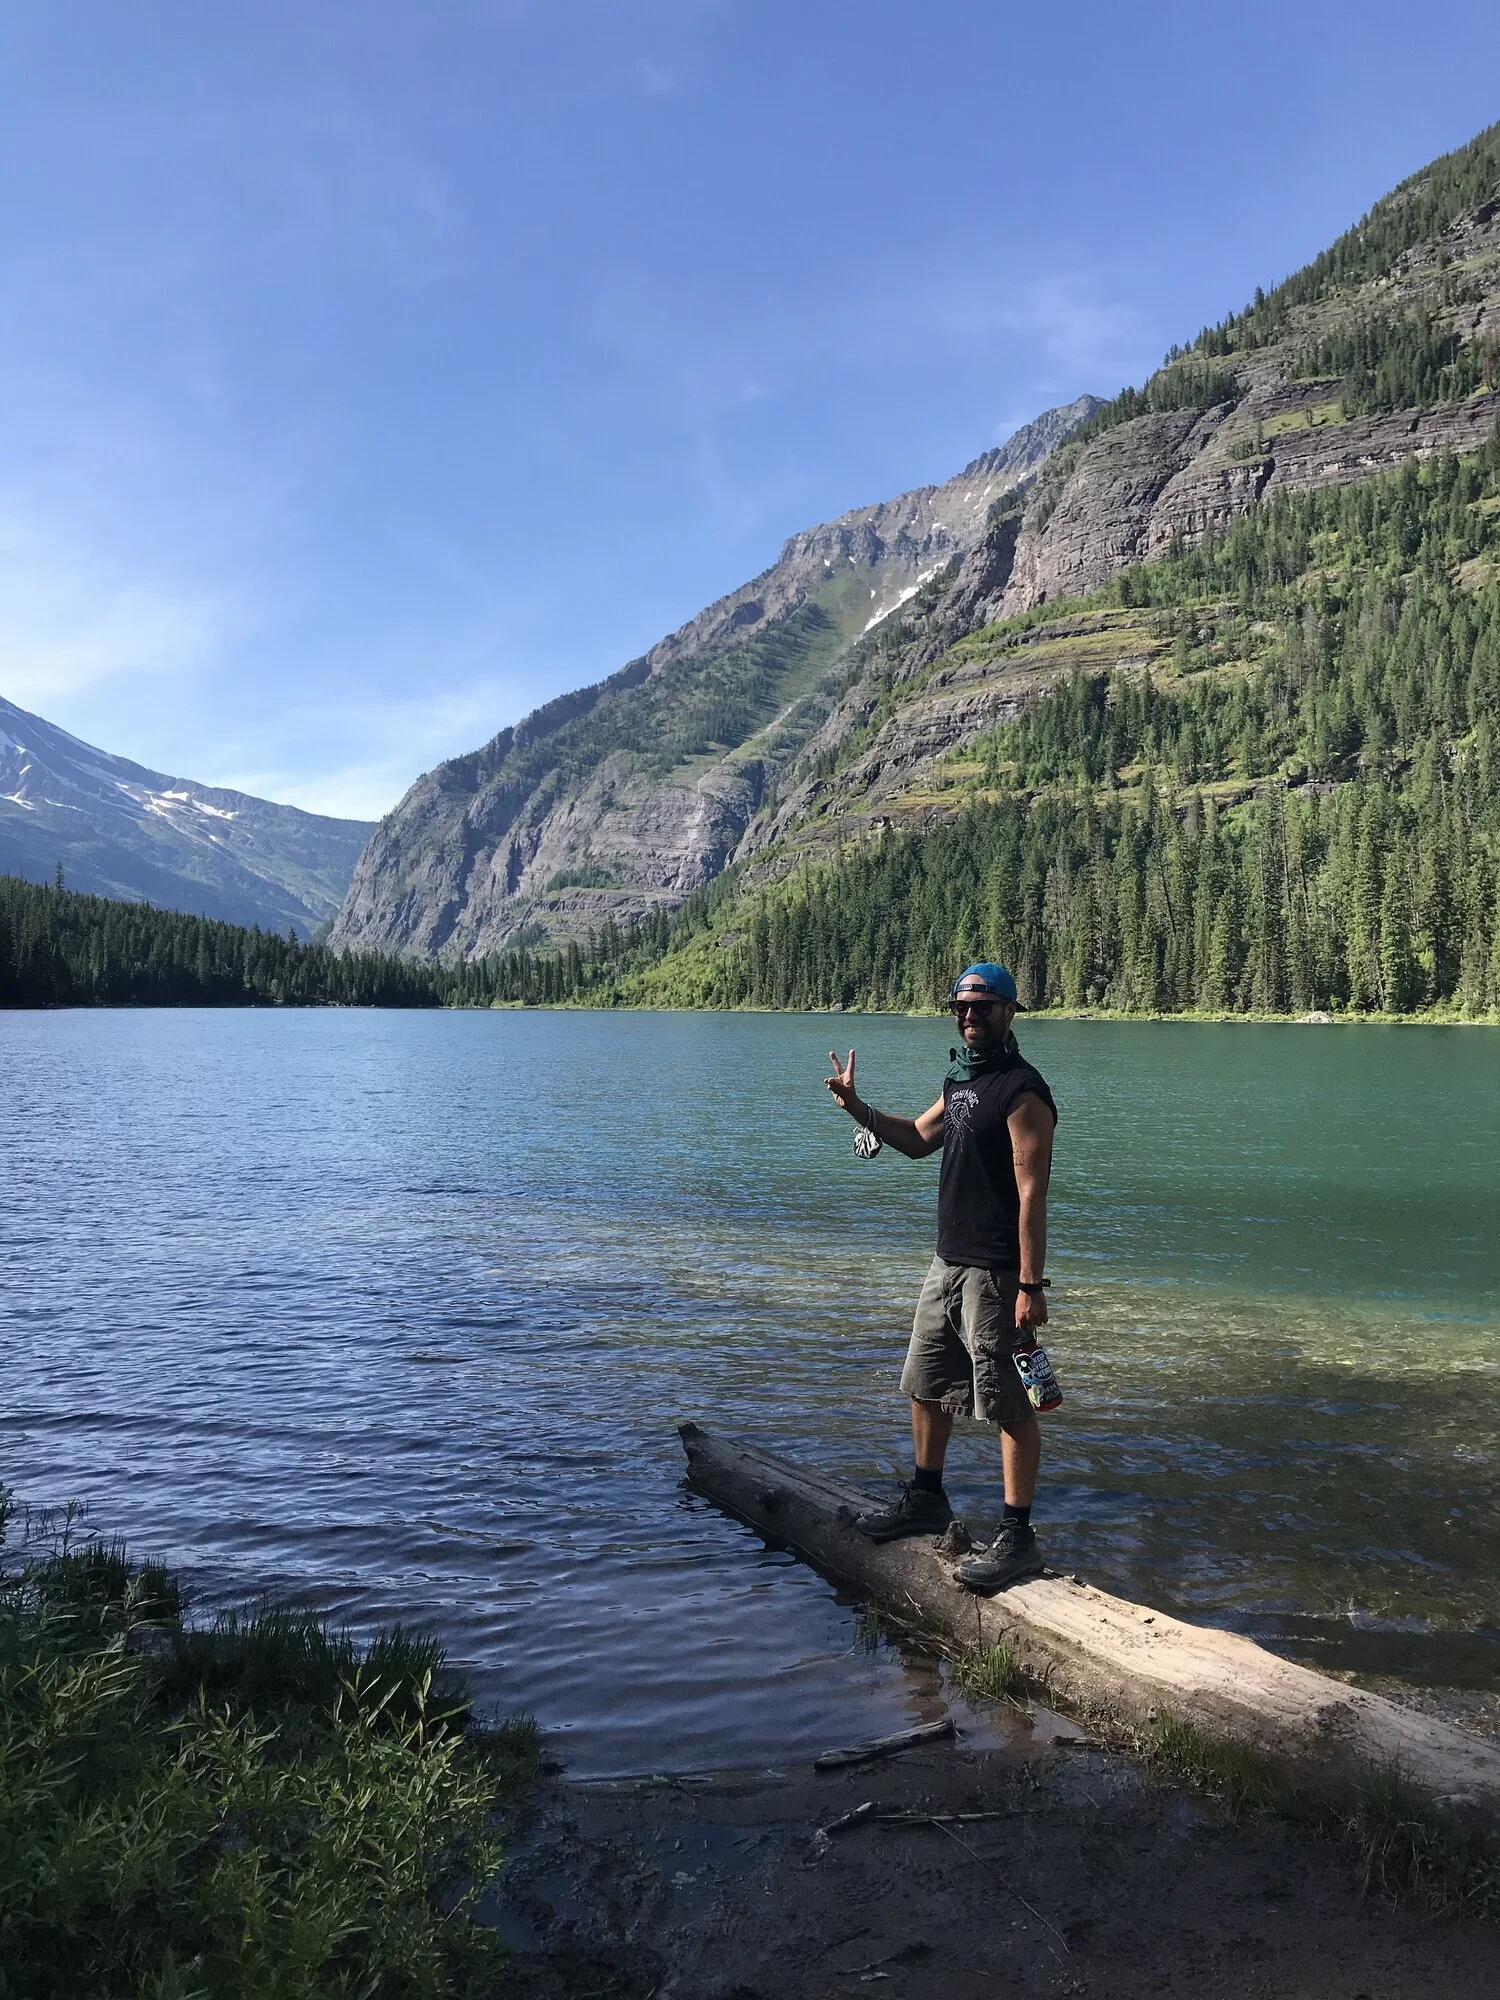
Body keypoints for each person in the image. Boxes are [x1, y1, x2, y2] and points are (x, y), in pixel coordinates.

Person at [824, 963, 1058, 1593]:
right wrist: (857, 1108)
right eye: (961, 1006)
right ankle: (927, 1498)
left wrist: (1031, 1288)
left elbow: (1032, 1193)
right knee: (924, 1381)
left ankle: (1018, 1536)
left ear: (1009, 1012)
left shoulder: (1022, 1090)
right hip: (947, 1262)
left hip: (998, 1272)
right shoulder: (961, 1081)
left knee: (1009, 1400)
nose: (970, 1015)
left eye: (982, 1006)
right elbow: (919, 1139)